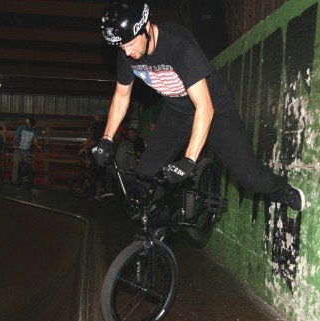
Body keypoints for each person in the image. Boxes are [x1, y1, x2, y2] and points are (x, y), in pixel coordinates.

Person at [94, 1, 305, 211]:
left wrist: (189, 160)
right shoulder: (126, 54)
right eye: (122, 47)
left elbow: (205, 106)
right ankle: (159, 223)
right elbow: (121, 96)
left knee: (250, 176)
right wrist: (107, 138)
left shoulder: (178, 44)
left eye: (130, 44)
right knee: (144, 179)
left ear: (146, 28)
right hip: (176, 111)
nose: (127, 52)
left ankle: (283, 191)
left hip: (214, 108)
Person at [11, 116, 41, 185]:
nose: (31, 128)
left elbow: (35, 141)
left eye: (32, 126)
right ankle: (14, 180)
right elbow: (15, 138)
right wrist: (14, 144)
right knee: (16, 162)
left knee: (28, 163)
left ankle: (26, 177)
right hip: (19, 148)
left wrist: (38, 147)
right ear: (27, 124)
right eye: (30, 126)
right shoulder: (21, 128)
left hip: (27, 149)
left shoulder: (33, 131)